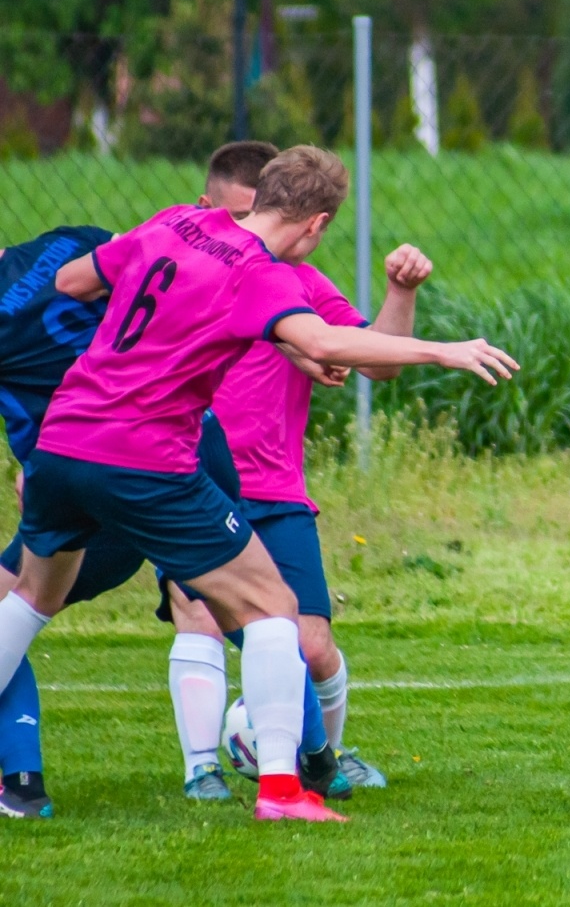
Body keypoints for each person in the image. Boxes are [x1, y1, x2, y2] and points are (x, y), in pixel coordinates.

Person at [0, 146, 517, 822]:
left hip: (62, 440)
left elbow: (71, 282)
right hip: (145, 454)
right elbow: (329, 344)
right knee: (273, 608)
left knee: (33, 596)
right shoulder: (261, 275)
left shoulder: (174, 223)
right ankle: (280, 793)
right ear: (315, 226)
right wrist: (443, 350)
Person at [0, 143, 344, 816]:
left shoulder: (172, 234)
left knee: (27, 603)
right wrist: (295, 345)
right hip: (172, 446)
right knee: (247, 607)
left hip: (79, 455)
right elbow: (167, 299)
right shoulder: (72, 240)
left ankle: (24, 785)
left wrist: (30, 461)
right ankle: (306, 766)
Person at [165, 232, 432, 799]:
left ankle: (324, 761)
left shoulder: (299, 284)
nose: (253, 230)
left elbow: (376, 362)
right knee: (201, 616)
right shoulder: (183, 271)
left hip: (277, 492)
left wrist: (399, 290)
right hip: (192, 483)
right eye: (239, 214)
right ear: (210, 213)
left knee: (308, 645)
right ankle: (200, 769)